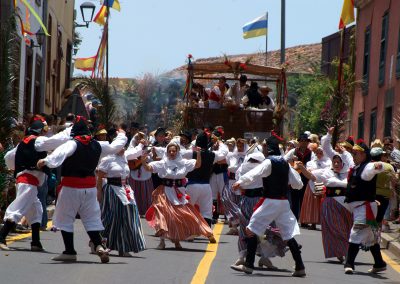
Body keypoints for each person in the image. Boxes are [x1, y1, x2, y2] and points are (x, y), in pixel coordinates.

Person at [36, 116, 127, 263]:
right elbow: (115, 146)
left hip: (71, 187)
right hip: (89, 189)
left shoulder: (72, 143)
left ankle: (69, 251)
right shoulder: (98, 145)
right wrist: (122, 134)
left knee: (65, 218)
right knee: (91, 218)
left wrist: (45, 161)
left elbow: (59, 154)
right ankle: (99, 246)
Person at [231, 134, 306, 277]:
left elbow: (255, 173)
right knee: (288, 234)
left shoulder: (269, 162)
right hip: (284, 203)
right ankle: (300, 266)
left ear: (268, 147)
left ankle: (248, 264)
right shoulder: (284, 163)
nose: (262, 148)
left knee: (250, 229)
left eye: (264, 145)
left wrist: (240, 182)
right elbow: (298, 183)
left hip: (270, 201)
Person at [0, 119, 70, 251]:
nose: (45, 134)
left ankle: (36, 242)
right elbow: (55, 141)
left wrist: (18, 167)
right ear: (40, 131)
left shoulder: (23, 143)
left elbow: (8, 157)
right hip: (28, 182)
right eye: (44, 131)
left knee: (37, 210)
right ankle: (1, 236)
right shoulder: (37, 141)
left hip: (25, 180)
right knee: (17, 209)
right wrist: (70, 131)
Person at [141, 142, 216, 249]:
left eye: (174, 151)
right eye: (170, 151)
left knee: (181, 216)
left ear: (177, 152)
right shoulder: (162, 163)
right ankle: (162, 242)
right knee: (164, 215)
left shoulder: (183, 162)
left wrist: (198, 154)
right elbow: (149, 168)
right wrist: (143, 161)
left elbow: (198, 165)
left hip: (179, 192)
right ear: (167, 152)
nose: (172, 153)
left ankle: (177, 241)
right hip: (165, 191)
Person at [297, 154, 352, 262]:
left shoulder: (349, 173)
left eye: (338, 162)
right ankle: (340, 251)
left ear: (343, 163)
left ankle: (346, 251)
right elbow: (311, 177)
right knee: (335, 228)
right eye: (334, 162)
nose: (336, 164)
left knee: (347, 229)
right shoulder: (326, 172)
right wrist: (302, 168)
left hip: (347, 206)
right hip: (331, 204)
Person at [343, 141, 387, 274]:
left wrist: (379, 165)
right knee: (370, 237)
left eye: (355, 154)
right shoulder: (358, 167)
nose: (353, 156)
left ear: (363, 155)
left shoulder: (367, 167)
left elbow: (377, 167)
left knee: (356, 232)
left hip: (365, 208)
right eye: (353, 153)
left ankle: (349, 263)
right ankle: (379, 263)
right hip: (362, 207)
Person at [97, 146, 146, 257]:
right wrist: (99, 192)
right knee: (112, 217)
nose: (122, 149)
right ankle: (98, 241)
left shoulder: (125, 158)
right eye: (120, 147)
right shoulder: (107, 159)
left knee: (128, 217)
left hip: (126, 189)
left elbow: (136, 151)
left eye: (124, 147)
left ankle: (123, 247)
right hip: (112, 190)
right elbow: (99, 177)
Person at [284, 133, 312, 221]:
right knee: (295, 198)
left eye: (305, 141)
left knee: (304, 198)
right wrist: (291, 160)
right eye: (301, 141)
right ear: (299, 142)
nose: (303, 142)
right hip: (295, 177)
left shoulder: (311, 152)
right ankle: (295, 218)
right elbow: (284, 160)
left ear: (308, 142)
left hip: (306, 177)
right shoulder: (293, 151)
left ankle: (304, 219)